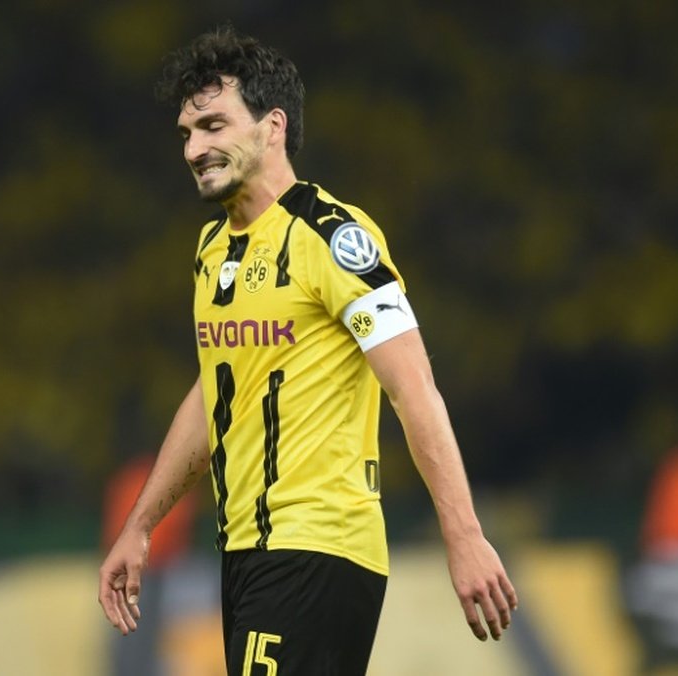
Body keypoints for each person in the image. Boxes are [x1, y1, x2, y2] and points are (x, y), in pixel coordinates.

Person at [99, 25, 518, 675]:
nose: (194, 147)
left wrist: (463, 536)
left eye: (212, 125)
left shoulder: (333, 237)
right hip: (244, 553)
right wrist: (141, 524)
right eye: (186, 132)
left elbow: (413, 389)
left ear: (272, 126)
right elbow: (217, 389)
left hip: (320, 547)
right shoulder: (214, 252)